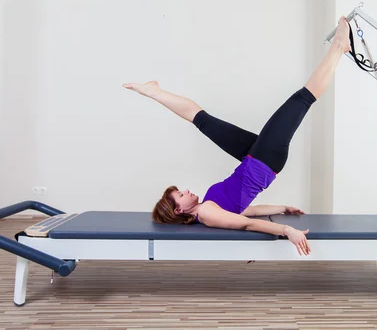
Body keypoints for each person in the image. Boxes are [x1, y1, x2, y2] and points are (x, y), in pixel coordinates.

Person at [123, 16, 351, 256]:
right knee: (302, 99)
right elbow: (247, 223)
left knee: (202, 120)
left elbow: (246, 211)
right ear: (178, 211)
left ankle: (154, 92)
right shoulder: (207, 213)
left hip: (251, 159)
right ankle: (338, 48)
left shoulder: (206, 208)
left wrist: (282, 207)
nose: (186, 191)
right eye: (181, 195)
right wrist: (286, 230)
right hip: (264, 161)